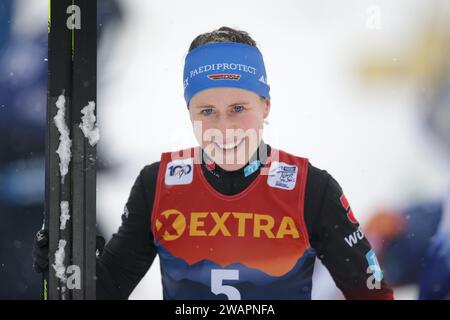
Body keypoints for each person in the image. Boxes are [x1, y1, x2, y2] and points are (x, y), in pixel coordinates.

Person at [33, 26, 394, 300]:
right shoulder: (157, 185)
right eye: (208, 111)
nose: (224, 129)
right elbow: (106, 289)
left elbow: (372, 292)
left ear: (265, 105)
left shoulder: (310, 188)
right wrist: (69, 266)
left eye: (238, 109)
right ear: (189, 111)